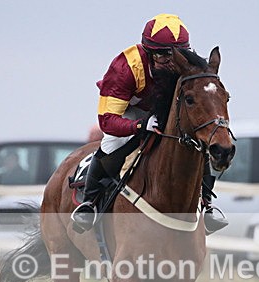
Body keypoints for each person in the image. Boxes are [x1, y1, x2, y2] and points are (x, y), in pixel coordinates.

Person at [71, 13, 228, 234]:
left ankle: (208, 205)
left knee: (196, 142)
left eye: (176, 54)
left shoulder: (185, 62)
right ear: (148, 52)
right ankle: (89, 203)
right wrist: (139, 126)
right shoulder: (125, 67)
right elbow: (107, 121)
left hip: (166, 107)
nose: (171, 61)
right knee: (111, 143)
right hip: (130, 111)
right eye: (163, 55)